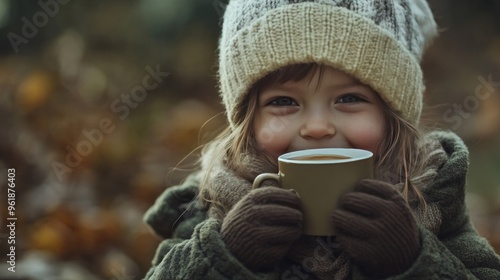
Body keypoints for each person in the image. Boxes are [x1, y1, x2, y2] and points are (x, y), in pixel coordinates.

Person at [143, 0, 500, 279]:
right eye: (283, 102)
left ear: (393, 117)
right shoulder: (213, 203)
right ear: (247, 123)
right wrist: (227, 255)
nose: (317, 127)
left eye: (349, 99)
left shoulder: (431, 197)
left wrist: (410, 259)